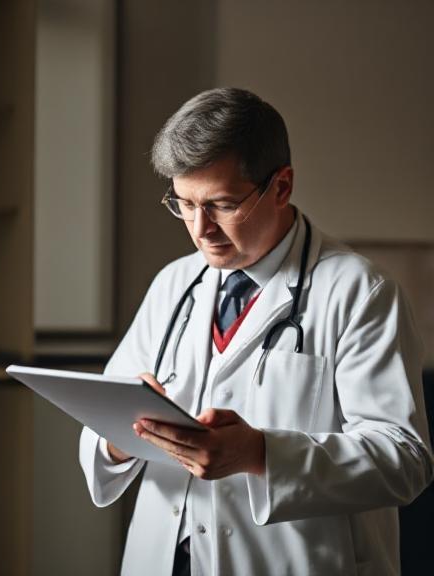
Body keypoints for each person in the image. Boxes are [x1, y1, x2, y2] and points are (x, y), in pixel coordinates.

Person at [79, 87, 433, 575]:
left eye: (221, 204)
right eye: (184, 203)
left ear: (281, 187)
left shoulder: (359, 291)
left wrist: (261, 453)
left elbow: (404, 458)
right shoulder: (175, 284)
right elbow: (105, 415)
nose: (200, 228)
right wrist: (120, 438)